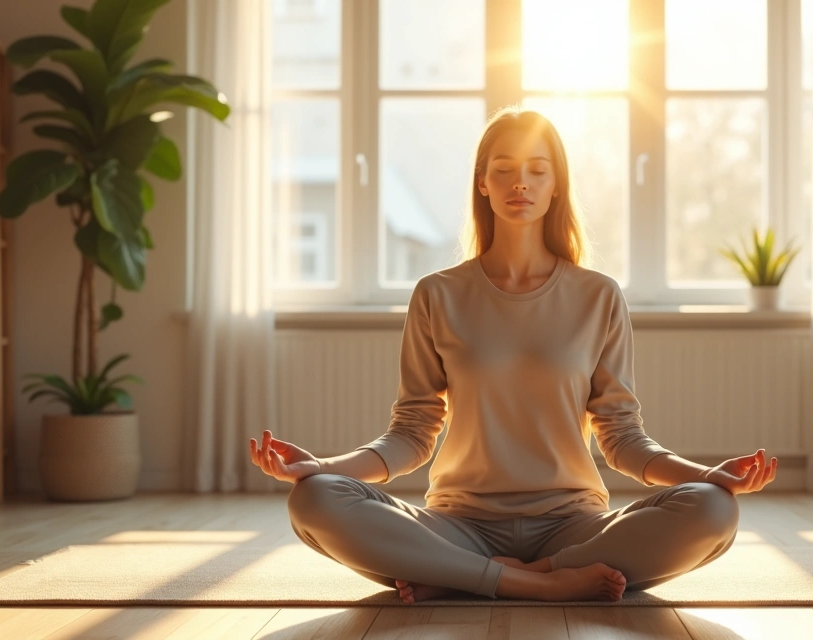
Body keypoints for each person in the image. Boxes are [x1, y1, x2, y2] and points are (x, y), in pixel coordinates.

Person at [248, 106, 777, 604]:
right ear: (483, 182)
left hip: (573, 528)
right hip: (459, 523)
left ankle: (471, 578)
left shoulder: (598, 295)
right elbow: (412, 432)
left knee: (712, 510)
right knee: (313, 500)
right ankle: (532, 584)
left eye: (536, 170)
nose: (519, 182)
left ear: (555, 187)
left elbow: (622, 439)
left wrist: (706, 475)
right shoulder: (438, 293)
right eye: (504, 169)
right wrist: (321, 467)